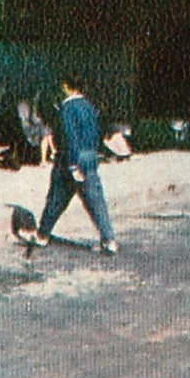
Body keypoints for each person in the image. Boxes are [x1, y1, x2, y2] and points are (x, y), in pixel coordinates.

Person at [26, 74, 118, 255]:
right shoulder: (88, 106)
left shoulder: (67, 108)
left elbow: (70, 138)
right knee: (96, 201)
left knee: (55, 200)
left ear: (67, 87)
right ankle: (109, 240)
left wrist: (73, 165)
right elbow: (96, 132)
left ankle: (42, 235)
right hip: (90, 156)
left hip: (70, 160)